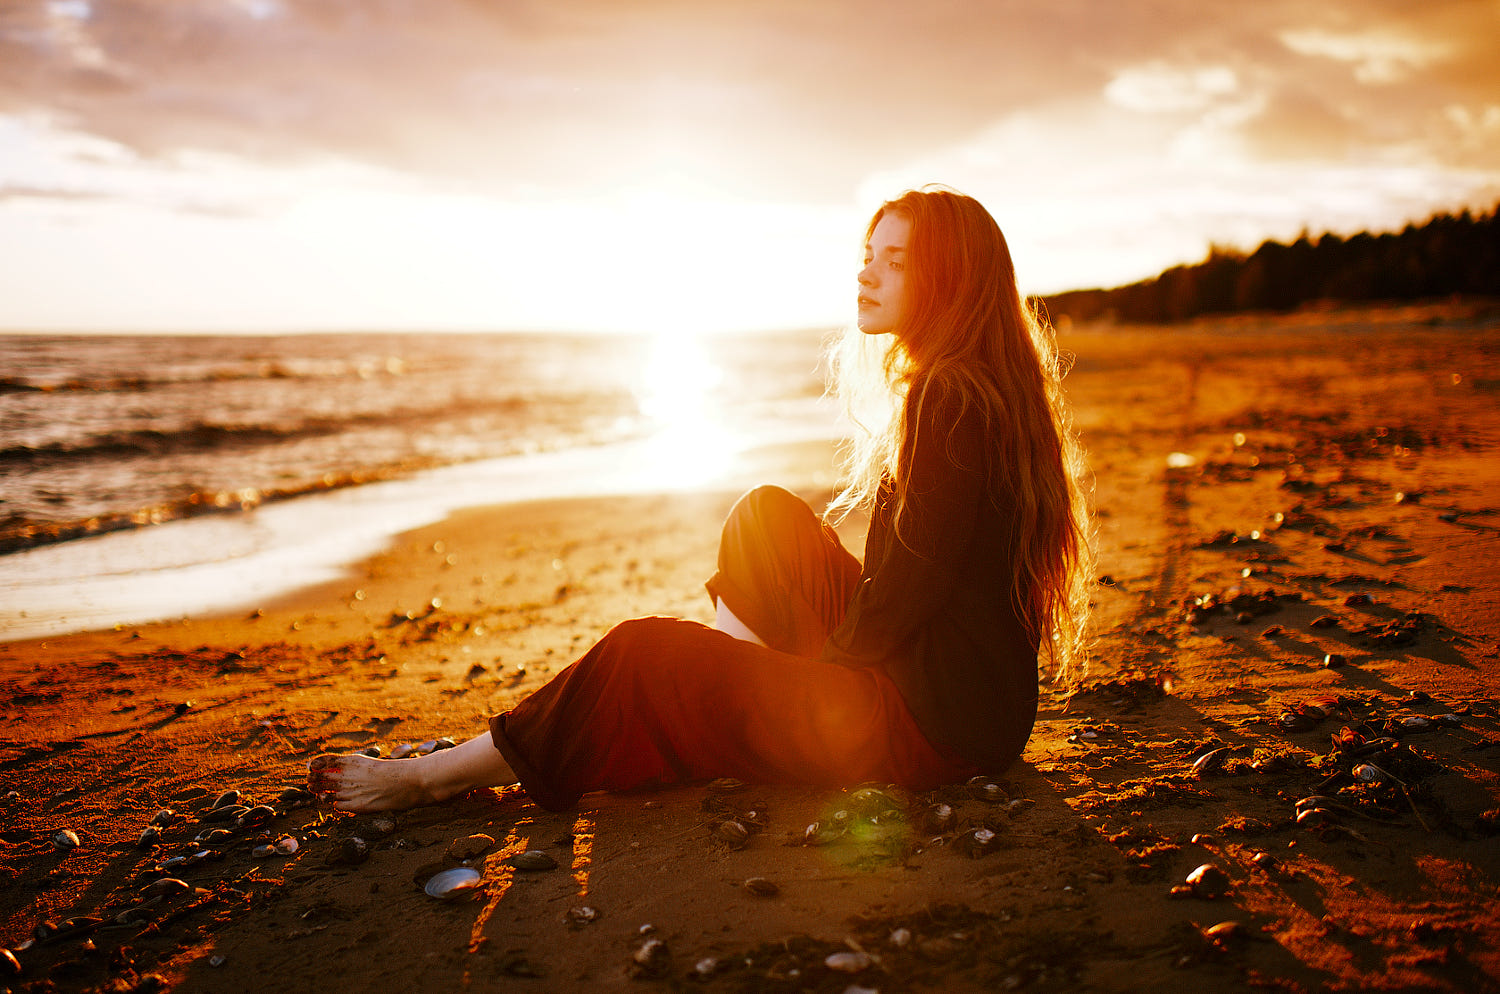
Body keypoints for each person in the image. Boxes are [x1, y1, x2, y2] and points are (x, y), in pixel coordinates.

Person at [308, 186, 1090, 814]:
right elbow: (913, 592)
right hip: (956, 705)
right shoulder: (969, 387)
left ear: (948, 278)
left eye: (894, 260)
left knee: (643, 652)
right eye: (867, 254)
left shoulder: (948, 398)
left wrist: (797, 685)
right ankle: (719, 726)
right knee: (767, 518)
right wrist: (763, 687)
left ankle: (436, 776)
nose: (865, 273)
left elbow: (905, 595)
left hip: (930, 728)